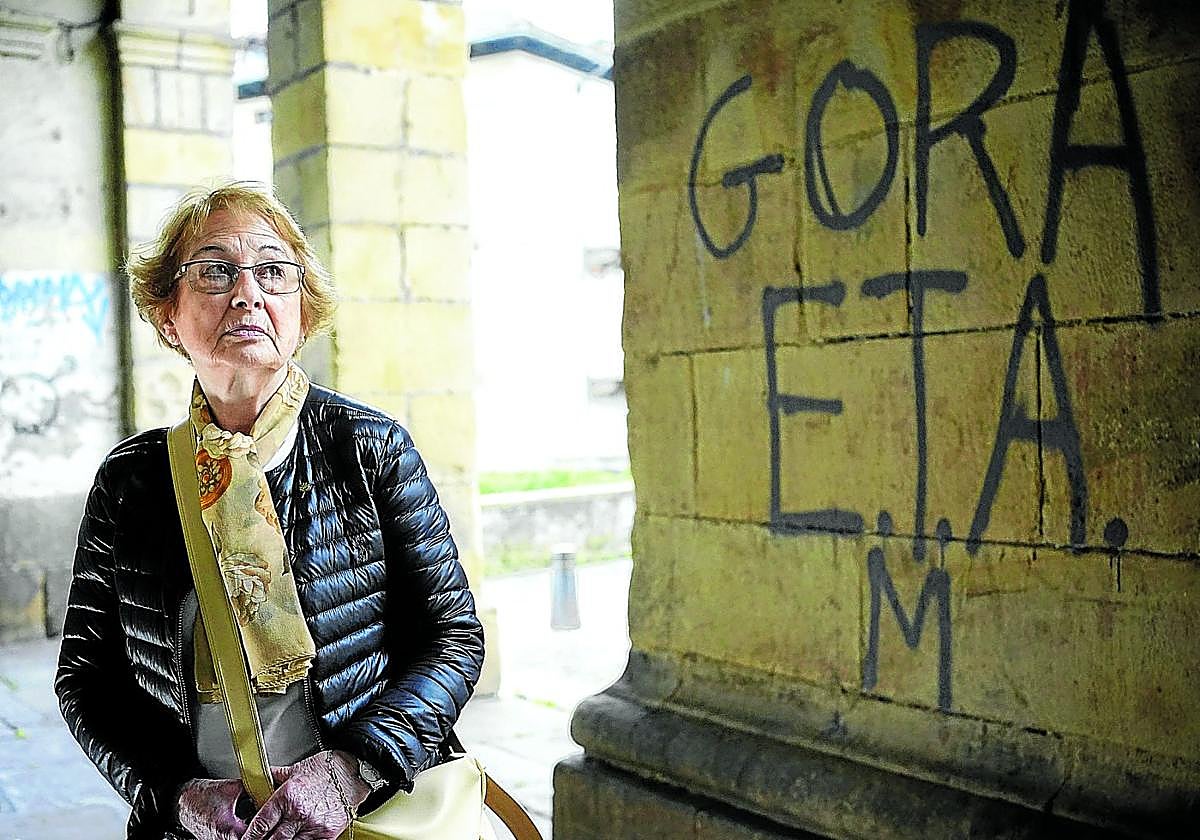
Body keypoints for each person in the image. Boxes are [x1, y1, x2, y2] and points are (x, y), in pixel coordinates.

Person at [55, 182, 485, 840]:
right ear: (168, 314)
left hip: (363, 815)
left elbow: (452, 637)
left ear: (303, 315)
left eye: (274, 272)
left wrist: (352, 770)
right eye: (216, 270)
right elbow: (86, 676)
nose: (248, 292)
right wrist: (174, 795)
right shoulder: (130, 481)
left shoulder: (369, 450)